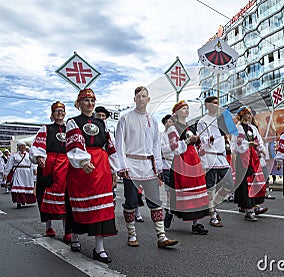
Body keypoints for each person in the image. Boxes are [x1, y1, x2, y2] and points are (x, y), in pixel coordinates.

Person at [115, 86, 178, 248]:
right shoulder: (125, 118)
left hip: (148, 167)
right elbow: (119, 144)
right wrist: (121, 166)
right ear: (134, 99)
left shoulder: (153, 120)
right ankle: (131, 234)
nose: (141, 99)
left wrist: (158, 167)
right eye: (138, 96)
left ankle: (161, 237)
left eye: (144, 96)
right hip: (131, 165)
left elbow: (156, 146)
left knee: (155, 202)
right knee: (130, 202)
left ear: (148, 99)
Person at [65, 88, 118, 263]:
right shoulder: (73, 122)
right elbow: (75, 143)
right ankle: (74, 236)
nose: (90, 104)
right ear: (79, 103)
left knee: (102, 205)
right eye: (86, 100)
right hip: (82, 166)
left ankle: (99, 247)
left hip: (101, 166)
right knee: (79, 202)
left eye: (92, 101)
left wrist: (115, 169)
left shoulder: (101, 123)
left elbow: (109, 145)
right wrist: (82, 162)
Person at [165, 100, 210, 234]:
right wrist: (187, 141)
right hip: (182, 162)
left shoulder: (190, 128)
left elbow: (198, 146)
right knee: (181, 190)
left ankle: (196, 223)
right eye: (183, 108)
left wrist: (203, 161)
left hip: (194, 161)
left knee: (196, 190)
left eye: (187, 108)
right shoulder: (173, 128)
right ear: (177, 112)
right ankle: (170, 212)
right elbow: (174, 148)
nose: (186, 110)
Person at [30, 101, 72, 241]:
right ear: (52, 114)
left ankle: (68, 230)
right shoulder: (46, 128)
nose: (60, 113)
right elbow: (38, 146)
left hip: (66, 166)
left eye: (62, 111)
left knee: (67, 197)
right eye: (57, 111)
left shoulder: (69, 130)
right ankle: (48, 226)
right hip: (50, 165)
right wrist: (40, 157)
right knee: (47, 196)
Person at [197, 96, 235, 228]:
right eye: (214, 103)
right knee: (210, 187)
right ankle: (212, 215)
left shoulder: (221, 120)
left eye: (218, 103)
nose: (217, 105)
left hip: (221, 157)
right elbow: (200, 140)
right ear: (207, 105)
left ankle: (212, 205)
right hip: (210, 156)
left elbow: (225, 136)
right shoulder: (203, 121)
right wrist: (209, 139)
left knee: (229, 183)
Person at [231, 106, 268, 221]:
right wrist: (248, 144)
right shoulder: (238, 128)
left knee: (255, 181)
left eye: (250, 114)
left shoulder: (253, 128)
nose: (250, 116)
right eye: (247, 114)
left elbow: (259, 140)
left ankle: (255, 205)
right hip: (244, 158)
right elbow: (238, 144)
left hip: (253, 157)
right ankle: (248, 209)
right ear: (242, 115)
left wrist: (260, 148)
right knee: (246, 183)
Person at [4, 142, 36, 208]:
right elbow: (9, 164)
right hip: (18, 172)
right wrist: (6, 173)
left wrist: (34, 170)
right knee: (17, 186)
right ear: (18, 147)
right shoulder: (14, 155)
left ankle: (26, 200)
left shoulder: (28, 155)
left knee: (27, 186)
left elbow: (32, 163)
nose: (22, 147)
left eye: (23, 146)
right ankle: (19, 201)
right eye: (21, 146)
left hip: (27, 173)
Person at [160, 114, 175, 228]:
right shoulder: (162, 136)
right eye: (168, 122)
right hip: (166, 166)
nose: (170, 124)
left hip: (177, 166)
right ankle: (169, 211)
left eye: (172, 122)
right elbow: (162, 150)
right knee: (170, 192)